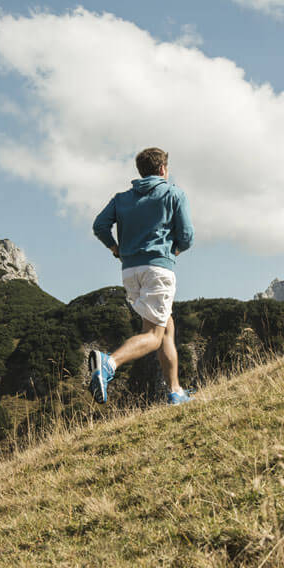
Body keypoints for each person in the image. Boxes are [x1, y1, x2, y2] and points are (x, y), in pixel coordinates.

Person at [89, 147, 195, 405]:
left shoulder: (121, 198)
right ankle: (108, 364)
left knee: (166, 326)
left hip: (129, 271)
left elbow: (99, 226)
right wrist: (174, 251)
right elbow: (187, 236)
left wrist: (116, 249)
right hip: (157, 269)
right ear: (162, 169)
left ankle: (175, 391)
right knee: (154, 335)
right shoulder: (173, 193)